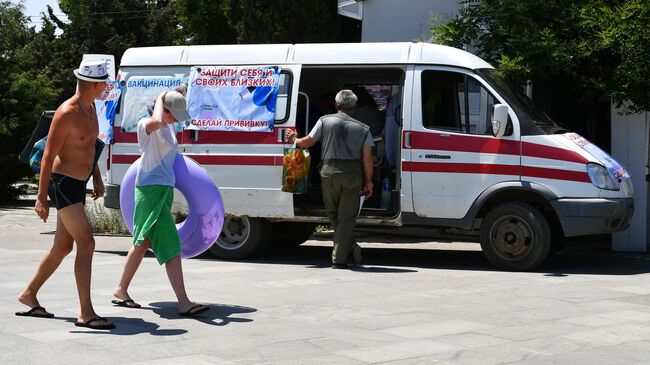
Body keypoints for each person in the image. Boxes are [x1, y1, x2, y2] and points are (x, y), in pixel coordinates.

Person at [17, 60, 115, 330]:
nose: (107, 86)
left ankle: (28, 294)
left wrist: (96, 176)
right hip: (61, 184)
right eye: (104, 82)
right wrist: (40, 197)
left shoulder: (92, 108)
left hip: (78, 183)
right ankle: (86, 312)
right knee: (87, 242)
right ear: (94, 84)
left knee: (63, 246)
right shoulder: (67, 112)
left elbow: (88, 148)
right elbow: (48, 155)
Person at [112, 89, 210, 317]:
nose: (177, 119)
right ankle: (183, 302)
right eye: (173, 113)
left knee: (142, 242)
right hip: (149, 190)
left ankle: (121, 289)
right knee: (170, 244)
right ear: (162, 109)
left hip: (162, 189)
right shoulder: (146, 124)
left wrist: (176, 94)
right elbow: (156, 119)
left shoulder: (167, 127)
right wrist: (160, 98)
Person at [286, 90, 374, 269]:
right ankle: (342, 257)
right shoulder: (364, 129)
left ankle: (345, 251)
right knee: (347, 218)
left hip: (328, 173)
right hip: (352, 175)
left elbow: (308, 142)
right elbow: (367, 159)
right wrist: (369, 182)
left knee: (333, 214)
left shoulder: (324, 121)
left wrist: (294, 139)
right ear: (354, 107)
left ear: (337, 105)